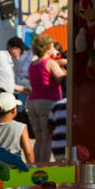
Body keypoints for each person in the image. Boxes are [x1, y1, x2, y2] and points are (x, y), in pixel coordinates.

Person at [24, 33, 66, 162]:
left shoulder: (33, 64)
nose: (54, 48)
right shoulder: (50, 63)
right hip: (48, 101)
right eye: (52, 46)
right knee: (47, 137)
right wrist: (65, 68)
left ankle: (37, 166)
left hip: (32, 102)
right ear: (47, 48)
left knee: (39, 138)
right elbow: (62, 79)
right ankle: (45, 168)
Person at [0, 91, 34, 166]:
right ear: (14, 110)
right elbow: (28, 152)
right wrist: (32, 166)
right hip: (14, 169)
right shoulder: (21, 127)